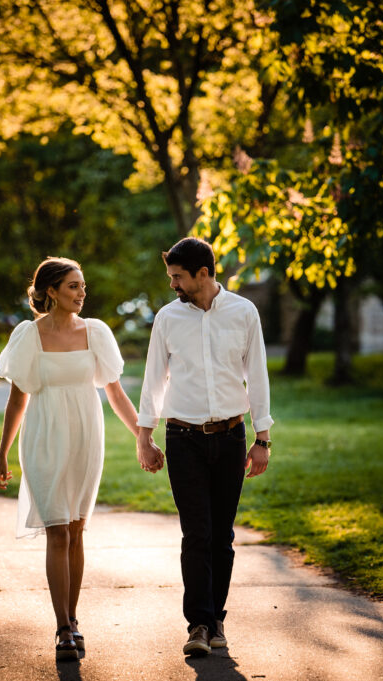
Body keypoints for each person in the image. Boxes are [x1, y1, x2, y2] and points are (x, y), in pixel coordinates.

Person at [0, 257, 151, 662]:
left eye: (83, 286)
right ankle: (62, 627)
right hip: (44, 436)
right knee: (57, 530)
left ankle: (74, 619)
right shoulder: (28, 335)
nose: (82, 294)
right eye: (73, 287)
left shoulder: (96, 332)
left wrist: (143, 437)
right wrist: (2, 454)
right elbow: (17, 399)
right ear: (51, 291)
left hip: (85, 436)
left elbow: (114, 393)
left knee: (77, 529)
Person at [136, 237, 273, 657]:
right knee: (196, 533)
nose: (173, 284)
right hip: (183, 440)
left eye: (178, 277)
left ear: (204, 274)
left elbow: (259, 375)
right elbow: (154, 377)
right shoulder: (167, 318)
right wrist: (145, 435)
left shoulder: (243, 312)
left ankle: (216, 620)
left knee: (222, 536)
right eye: (170, 277)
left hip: (231, 439)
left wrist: (262, 438)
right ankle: (198, 624)